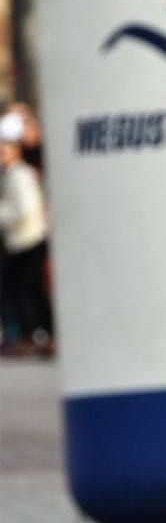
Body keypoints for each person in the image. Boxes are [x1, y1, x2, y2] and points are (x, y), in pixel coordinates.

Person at [0, 117, 52, 356]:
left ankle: (36, 335)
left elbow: (25, 209)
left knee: (27, 290)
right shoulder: (10, 175)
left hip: (28, 240)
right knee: (24, 290)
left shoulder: (21, 175)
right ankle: (33, 335)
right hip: (19, 241)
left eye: (4, 152)